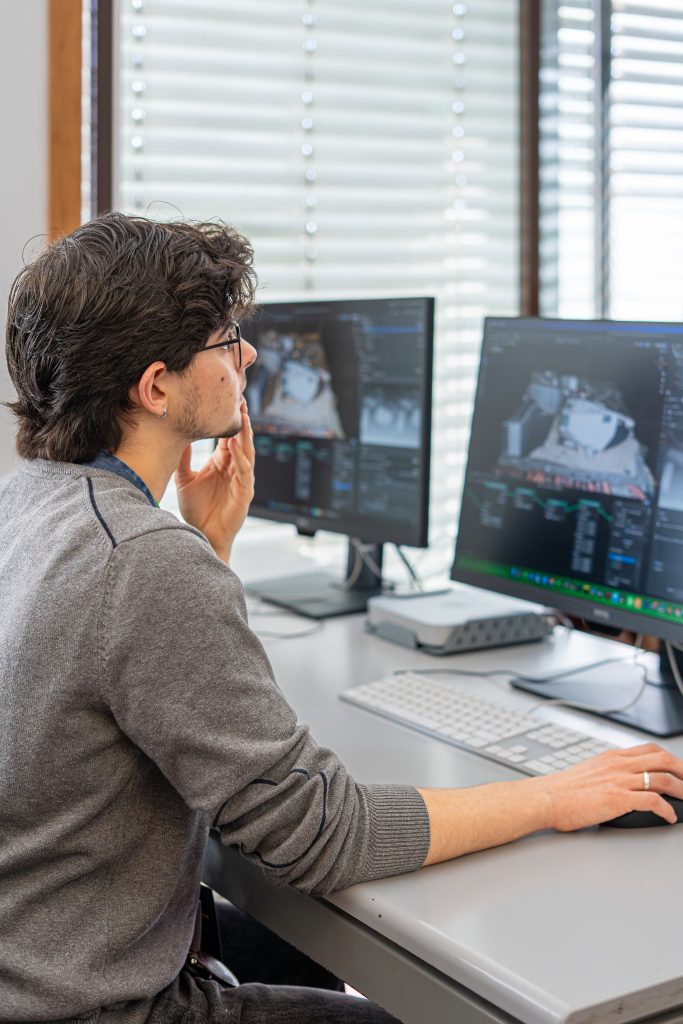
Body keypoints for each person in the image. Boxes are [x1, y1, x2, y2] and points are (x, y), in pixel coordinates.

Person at [1, 213, 682, 1024]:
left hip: (38, 952)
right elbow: (320, 833)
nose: (249, 354)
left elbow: (117, 668)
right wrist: (552, 798)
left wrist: (204, 547)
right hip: (93, 1004)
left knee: (290, 944)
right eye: (226, 341)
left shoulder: (33, 502)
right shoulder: (140, 560)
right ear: (155, 387)